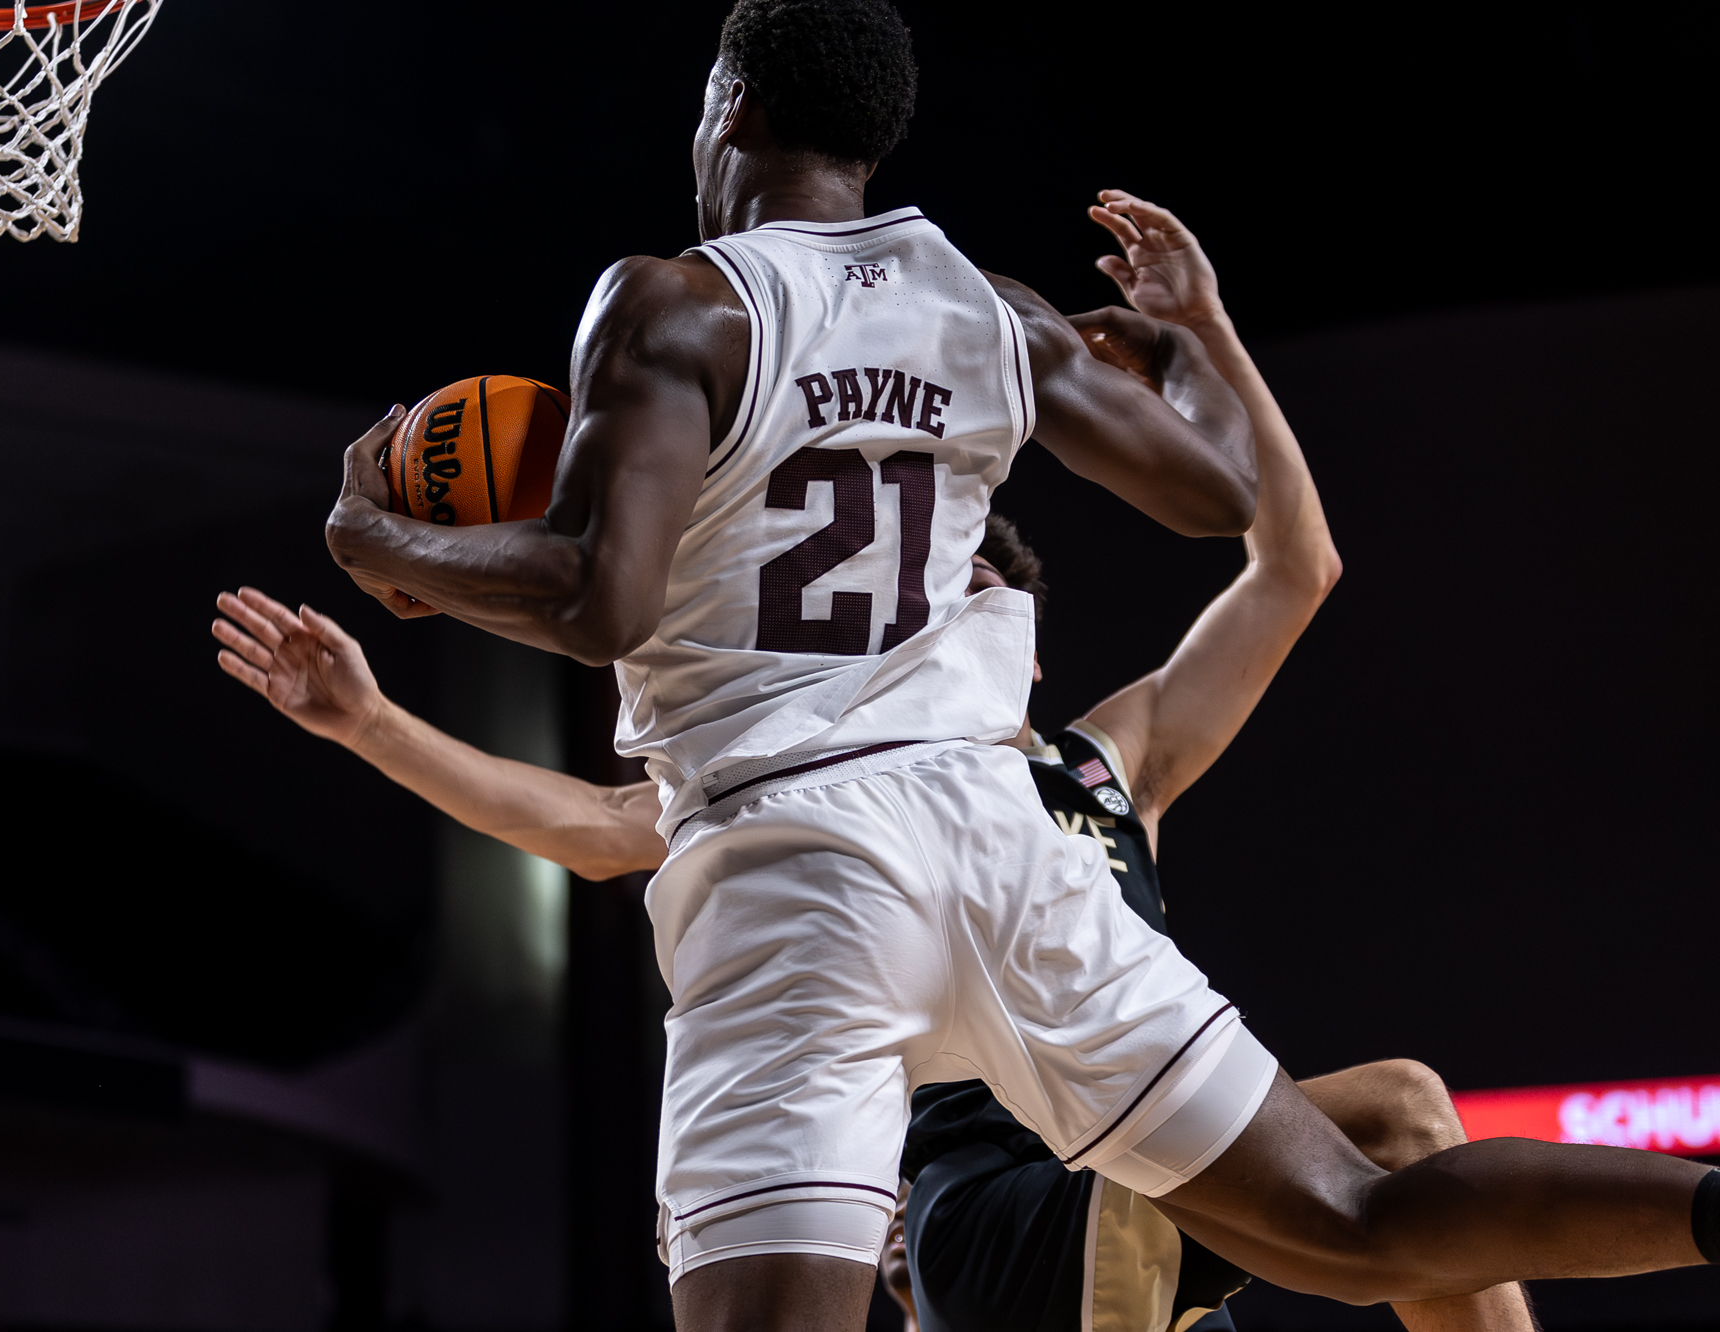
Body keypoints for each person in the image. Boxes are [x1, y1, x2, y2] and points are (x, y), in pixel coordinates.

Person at [301, 2, 1716, 1326]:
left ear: (726, 108)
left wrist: (382, 543)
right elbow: (1220, 502)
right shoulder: (993, 312)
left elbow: (593, 601)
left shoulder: (674, 304)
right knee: (1360, 1215)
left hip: (797, 869)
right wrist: (1188, 340)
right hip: (997, 836)